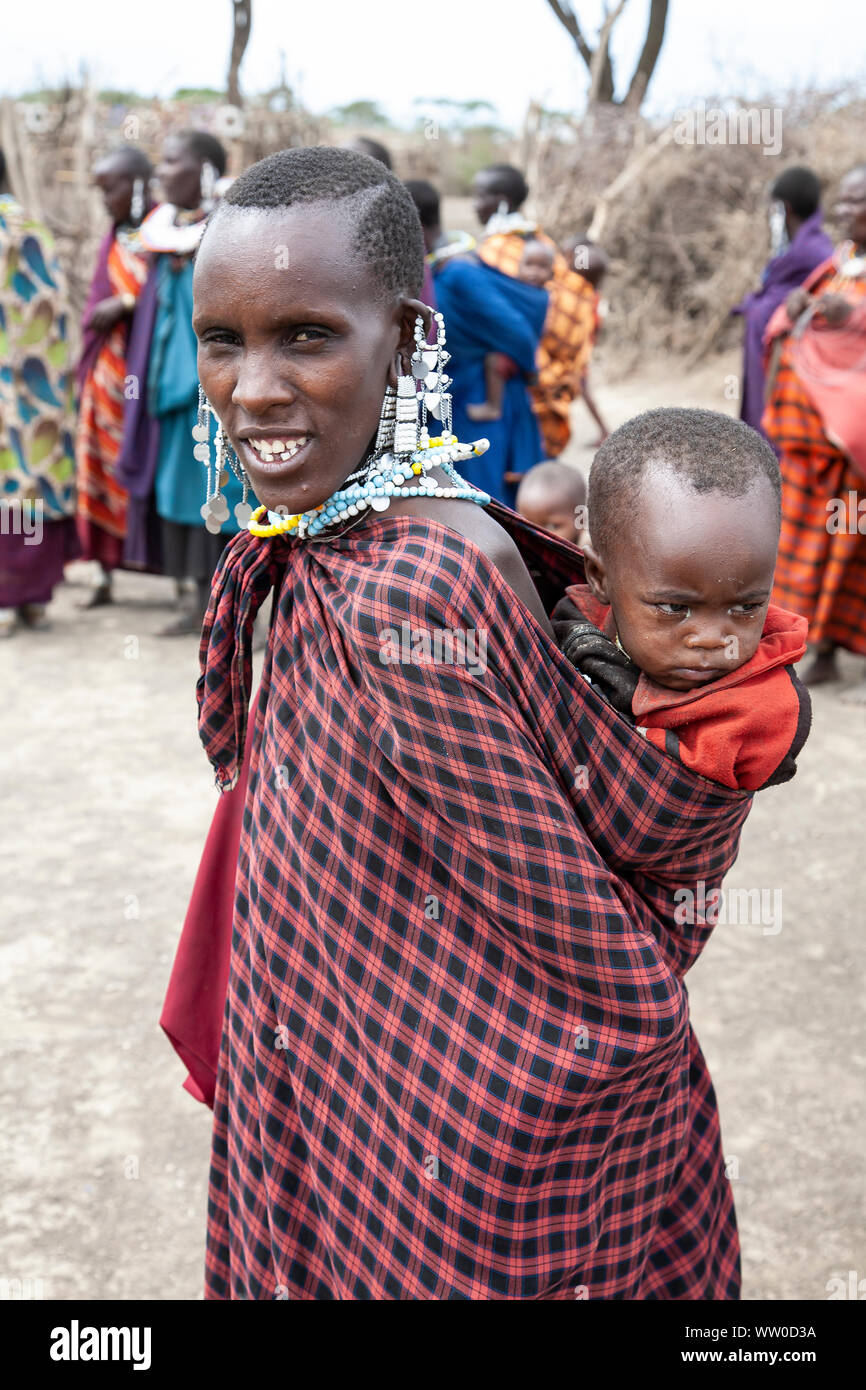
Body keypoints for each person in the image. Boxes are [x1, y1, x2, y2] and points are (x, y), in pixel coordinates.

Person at [168, 146, 753, 1300]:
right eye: (224, 341)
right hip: (336, 1071)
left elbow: (567, 923)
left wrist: (515, 1078)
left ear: (410, 340)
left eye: (306, 336)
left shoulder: (412, 582)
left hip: (445, 1140)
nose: (254, 388)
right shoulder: (332, 538)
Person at [554, 409, 811, 792]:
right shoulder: (561, 635)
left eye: (746, 607)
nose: (711, 639)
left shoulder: (762, 711)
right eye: (674, 608)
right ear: (599, 578)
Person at [116, 129, 248, 636]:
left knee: (228, 495)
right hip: (171, 392)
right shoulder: (163, 234)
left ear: (207, 171)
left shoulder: (233, 231)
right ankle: (199, 603)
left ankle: (237, 610)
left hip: (217, 395)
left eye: (173, 161)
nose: (161, 173)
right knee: (181, 496)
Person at [762, 162, 866, 702]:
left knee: (848, 551)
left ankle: (832, 650)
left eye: (858, 202)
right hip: (806, 444)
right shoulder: (837, 264)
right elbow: (785, 322)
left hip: (852, 451)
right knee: (804, 549)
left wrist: (855, 316)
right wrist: (796, 306)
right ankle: (811, 647)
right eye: (843, 202)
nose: (848, 212)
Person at [414, 178, 546, 506]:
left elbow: (516, 331)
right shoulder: (440, 269)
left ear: (414, 223)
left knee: (487, 504)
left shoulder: (460, 272)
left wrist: (530, 373)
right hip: (459, 399)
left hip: (482, 405)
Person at [0, 149, 78, 637]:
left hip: (9, 380)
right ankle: (32, 600)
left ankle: (6, 598)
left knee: (9, 481)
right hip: (40, 380)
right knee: (33, 482)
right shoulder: (29, 223)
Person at [472, 162, 598, 461]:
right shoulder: (543, 241)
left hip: (515, 373)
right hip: (549, 370)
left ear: (501, 202)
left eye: (479, 196)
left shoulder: (493, 250)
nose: (475, 205)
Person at [75, 144, 153, 607]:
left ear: (138, 185)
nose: (105, 200)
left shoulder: (168, 234)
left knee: (142, 460)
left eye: (111, 189)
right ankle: (103, 572)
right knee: (98, 466)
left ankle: (172, 571)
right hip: (105, 372)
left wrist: (126, 303)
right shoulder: (114, 235)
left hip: (145, 376)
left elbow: (174, 298)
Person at [732, 166, 833, 439]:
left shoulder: (816, 253)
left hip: (793, 373)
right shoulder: (791, 253)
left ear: (784, 208)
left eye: (773, 208)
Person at [466, 239, 554, 423]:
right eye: (529, 265)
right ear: (518, 266)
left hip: (515, 354)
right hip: (515, 348)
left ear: (551, 273)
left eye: (542, 267)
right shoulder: (517, 289)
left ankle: (493, 407)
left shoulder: (541, 297)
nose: (534, 272)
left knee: (493, 361)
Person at [560, 236, 610, 445]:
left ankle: (605, 431)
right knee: (583, 389)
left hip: (578, 350)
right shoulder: (586, 291)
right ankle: (604, 431)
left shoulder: (583, 294)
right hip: (579, 348)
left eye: (568, 257)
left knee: (582, 388)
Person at [515, 459, 586, 543]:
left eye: (552, 526)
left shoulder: (592, 553)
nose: (536, 536)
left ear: (581, 520)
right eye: (526, 525)